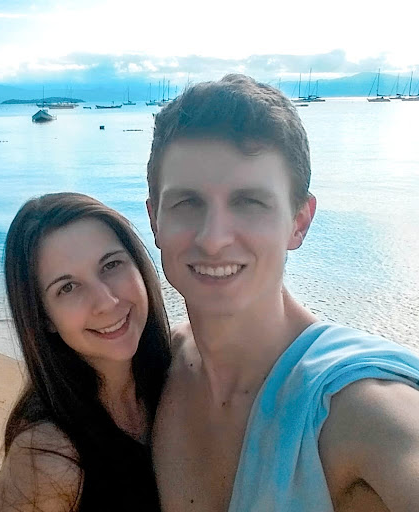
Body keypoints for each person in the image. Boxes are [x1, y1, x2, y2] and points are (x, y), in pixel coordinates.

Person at [146, 74, 419, 511]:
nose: (213, 239)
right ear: (155, 220)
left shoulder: (358, 408)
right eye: (187, 202)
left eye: (249, 202)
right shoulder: (156, 368)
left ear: (299, 222)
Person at [0, 192, 171, 511]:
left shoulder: (182, 377)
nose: (106, 302)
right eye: (67, 288)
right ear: (43, 317)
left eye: (111, 265)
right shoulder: (48, 457)